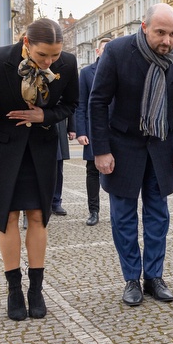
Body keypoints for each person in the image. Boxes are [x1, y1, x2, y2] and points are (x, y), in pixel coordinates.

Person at [0, 18, 78, 320]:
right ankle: (14, 289)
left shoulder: (67, 64)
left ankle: (36, 289)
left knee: (38, 215)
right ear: (26, 43)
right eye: (43, 55)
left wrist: (44, 114)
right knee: (7, 217)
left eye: (55, 55)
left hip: (42, 150)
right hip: (3, 149)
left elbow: (71, 105)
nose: (50, 61)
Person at [89, 3, 173, 306]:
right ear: (144, 26)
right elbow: (98, 102)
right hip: (122, 146)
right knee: (123, 217)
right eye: (160, 32)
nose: (167, 41)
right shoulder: (118, 51)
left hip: (161, 145)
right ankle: (131, 279)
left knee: (158, 216)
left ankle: (154, 277)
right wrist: (101, 150)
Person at [75, 36, 113, 226]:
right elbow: (80, 104)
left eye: (110, 48)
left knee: (118, 170)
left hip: (115, 129)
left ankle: (117, 210)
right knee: (92, 171)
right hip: (92, 129)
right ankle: (94, 211)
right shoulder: (86, 73)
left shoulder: (120, 69)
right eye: (104, 49)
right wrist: (81, 131)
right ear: (98, 51)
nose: (106, 51)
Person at [50, 118, 75, 216]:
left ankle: (55, 202)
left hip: (58, 123)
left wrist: (72, 128)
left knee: (57, 169)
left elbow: (71, 105)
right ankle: (42, 204)